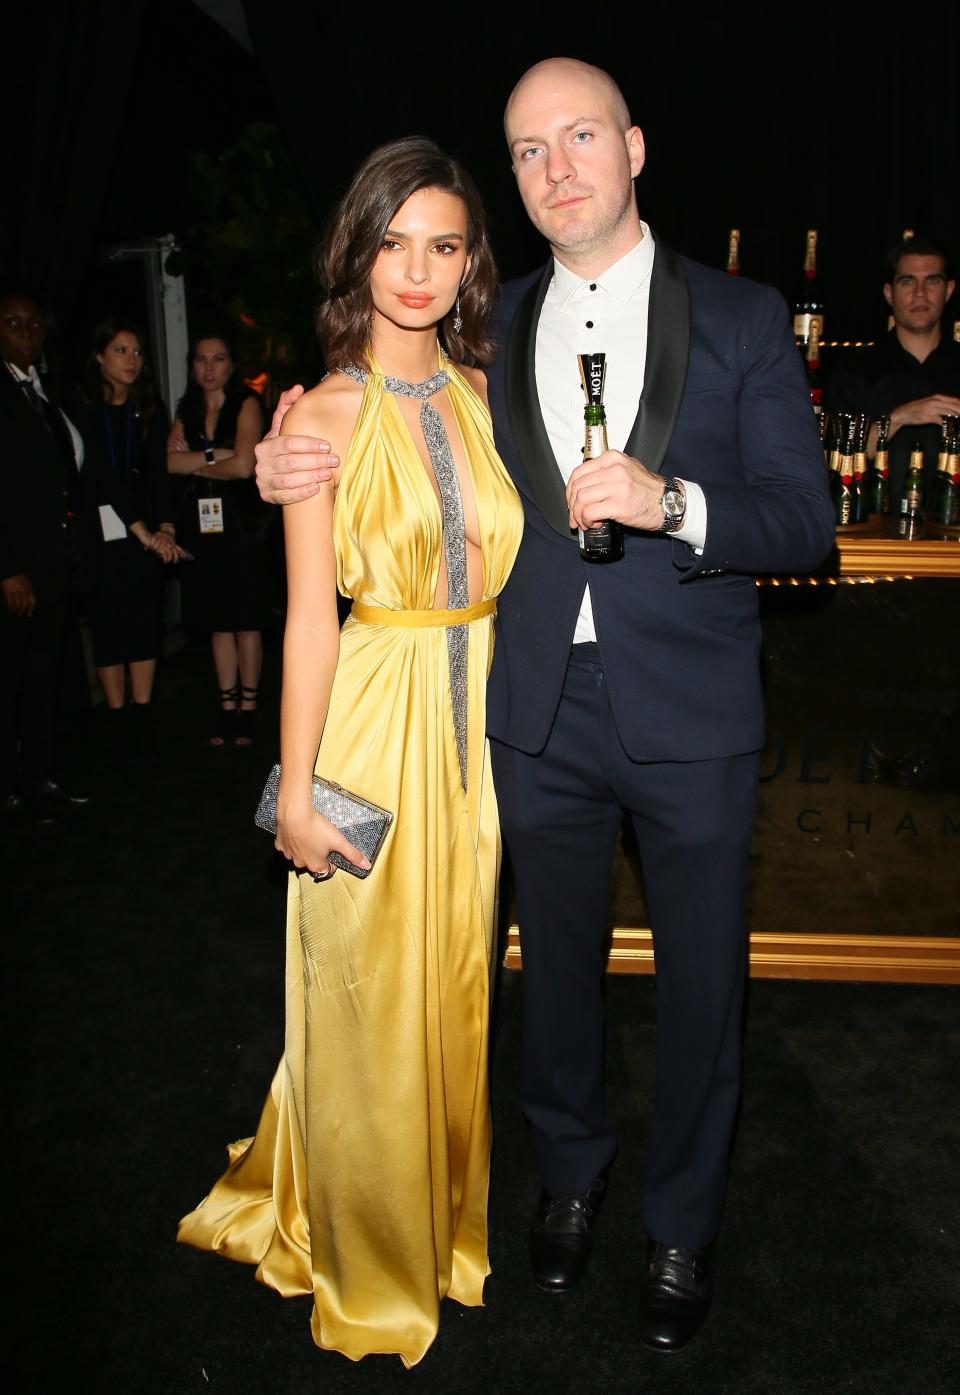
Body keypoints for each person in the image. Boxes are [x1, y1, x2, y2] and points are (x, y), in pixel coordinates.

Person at [255, 59, 836, 1356]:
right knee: (548, 976)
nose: (556, 165)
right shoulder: (488, 323)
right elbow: (383, 424)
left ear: (633, 146)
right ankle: (568, 1174)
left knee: (700, 987)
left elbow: (811, 528)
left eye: (580, 136)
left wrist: (674, 503)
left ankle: (681, 1221)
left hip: (693, 720)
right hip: (522, 719)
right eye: (526, 150)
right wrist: (279, 451)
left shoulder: (741, 317)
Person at [177, 138, 523, 1366]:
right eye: (394, 241)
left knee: (458, 988)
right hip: (373, 723)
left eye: (444, 244)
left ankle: (437, 1226)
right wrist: (295, 797)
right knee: (366, 994)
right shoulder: (316, 413)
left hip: (479, 735)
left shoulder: (495, 392)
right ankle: (370, 1263)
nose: (418, 270)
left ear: (474, 259)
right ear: (356, 249)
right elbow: (309, 618)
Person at [0, 289, 96, 820]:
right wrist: (8, 568)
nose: (26, 332)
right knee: (11, 684)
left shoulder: (42, 388)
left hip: (54, 565)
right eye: (14, 323)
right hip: (16, 572)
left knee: (43, 682)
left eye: (34, 324)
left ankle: (39, 780)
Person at [69, 318, 182, 744]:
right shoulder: (82, 408)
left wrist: (166, 526)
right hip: (104, 535)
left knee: (142, 621)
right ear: (98, 357)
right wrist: (143, 531)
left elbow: (158, 473)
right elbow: (100, 476)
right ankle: (115, 719)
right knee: (108, 623)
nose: (131, 360)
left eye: (136, 352)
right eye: (120, 350)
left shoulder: (149, 405)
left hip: (145, 533)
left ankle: (142, 715)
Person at [166, 333, 267, 746]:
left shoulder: (246, 403)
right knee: (216, 621)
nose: (209, 368)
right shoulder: (186, 409)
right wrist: (213, 457)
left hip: (242, 527)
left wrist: (195, 463)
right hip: (203, 527)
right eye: (202, 360)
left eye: (218, 359)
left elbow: (244, 466)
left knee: (245, 620)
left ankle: (249, 708)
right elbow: (168, 463)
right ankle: (226, 708)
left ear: (231, 364)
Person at [826, 235, 960, 508]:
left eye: (932, 281)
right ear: (889, 293)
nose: (920, 293)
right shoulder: (854, 371)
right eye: (908, 281)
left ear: (948, 290)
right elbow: (835, 466)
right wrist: (898, 418)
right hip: (873, 537)